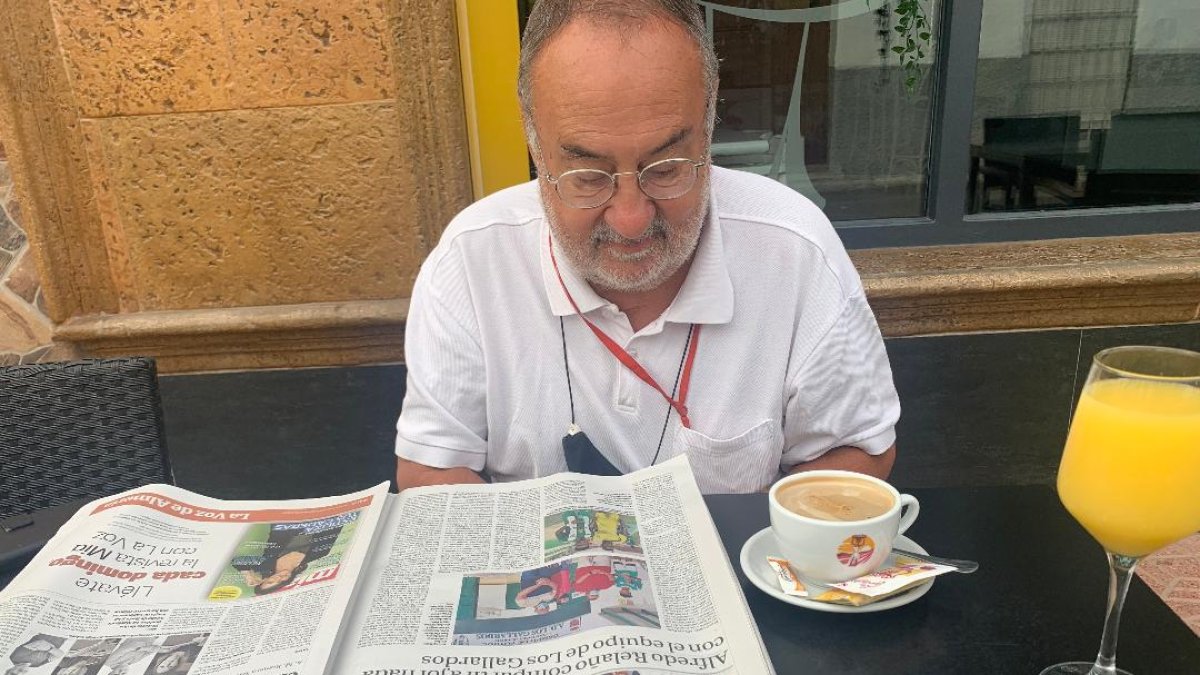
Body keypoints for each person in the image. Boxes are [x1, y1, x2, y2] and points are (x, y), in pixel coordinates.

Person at [395, 0, 899, 494]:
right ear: (534, 144)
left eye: (666, 170)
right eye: (588, 176)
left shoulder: (795, 249)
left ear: (708, 128)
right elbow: (432, 468)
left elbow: (857, 447)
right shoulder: (471, 260)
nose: (631, 218)